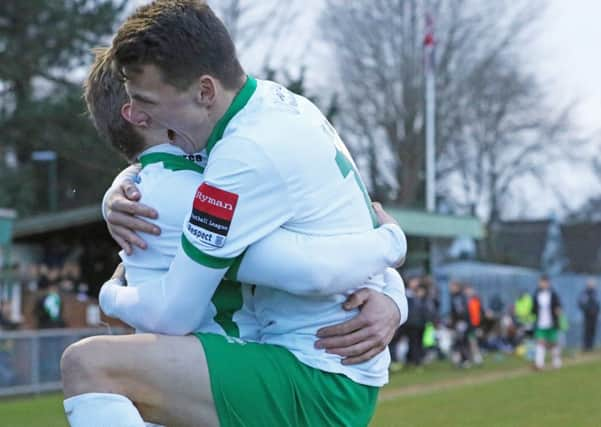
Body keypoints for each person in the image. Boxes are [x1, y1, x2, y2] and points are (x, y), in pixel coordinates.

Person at [61, 2, 408, 426]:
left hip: (318, 377)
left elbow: (179, 311)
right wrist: (392, 282)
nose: (143, 114)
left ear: (205, 91)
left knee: (89, 365)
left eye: (148, 101)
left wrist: (109, 294)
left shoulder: (239, 161)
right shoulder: (281, 105)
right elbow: (336, 224)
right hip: (317, 363)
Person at [531, 275, 563, 370]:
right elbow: (533, 308)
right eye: (541, 282)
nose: (543, 284)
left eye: (545, 282)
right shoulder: (536, 294)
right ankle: (539, 364)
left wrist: (558, 311)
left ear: (548, 283)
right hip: (540, 323)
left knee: (553, 343)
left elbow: (558, 306)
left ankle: (556, 362)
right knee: (540, 342)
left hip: (551, 322)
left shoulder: (553, 294)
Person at [449, 281, 470, 367]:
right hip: (459, 322)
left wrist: (457, 321)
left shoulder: (458, 297)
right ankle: (462, 359)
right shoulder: (455, 297)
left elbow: (460, 311)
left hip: (461, 322)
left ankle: (464, 360)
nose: (451, 289)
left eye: (452, 287)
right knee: (460, 341)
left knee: (461, 341)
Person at [578, 278, 599, 352]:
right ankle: (586, 346)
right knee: (587, 330)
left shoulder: (595, 293)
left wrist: (596, 311)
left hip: (595, 315)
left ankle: (591, 346)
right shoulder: (585, 293)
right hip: (587, 315)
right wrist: (588, 310)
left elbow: (597, 304)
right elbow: (581, 303)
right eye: (591, 284)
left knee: (593, 330)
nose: (592, 285)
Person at [465, 286, 484, 365]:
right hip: (468, 325)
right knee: (469, 342)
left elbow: (480, 313)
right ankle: (472, 358)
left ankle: (477, 358)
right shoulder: (466, 301)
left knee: (472, 341)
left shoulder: (476, 301)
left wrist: (479, 325)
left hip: (473, 325)